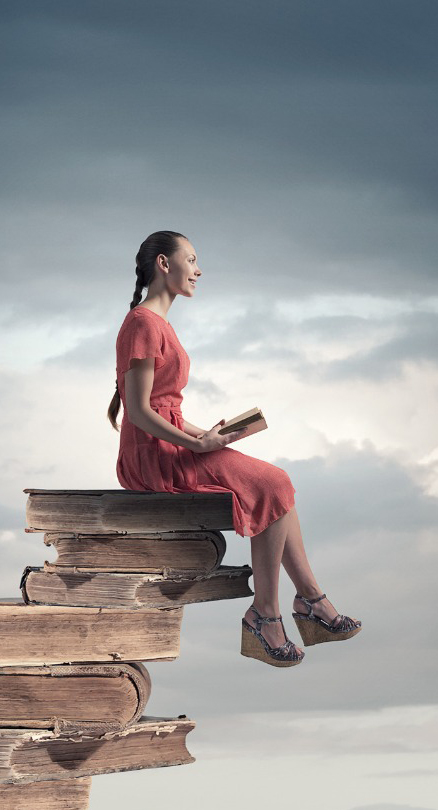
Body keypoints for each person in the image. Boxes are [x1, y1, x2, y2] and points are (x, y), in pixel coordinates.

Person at [107, 231, 361, 667]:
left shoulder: (156, 324)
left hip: (169, 445)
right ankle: (270, 614)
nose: (199, 270)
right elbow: (138, 411)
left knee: (277, 489)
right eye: (191, 259)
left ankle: (309, 602)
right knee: (274, 483)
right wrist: (194, 443)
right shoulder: (143, 323)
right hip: (151, 459)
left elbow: (164, 410)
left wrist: (209, 437)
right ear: (165, 264)